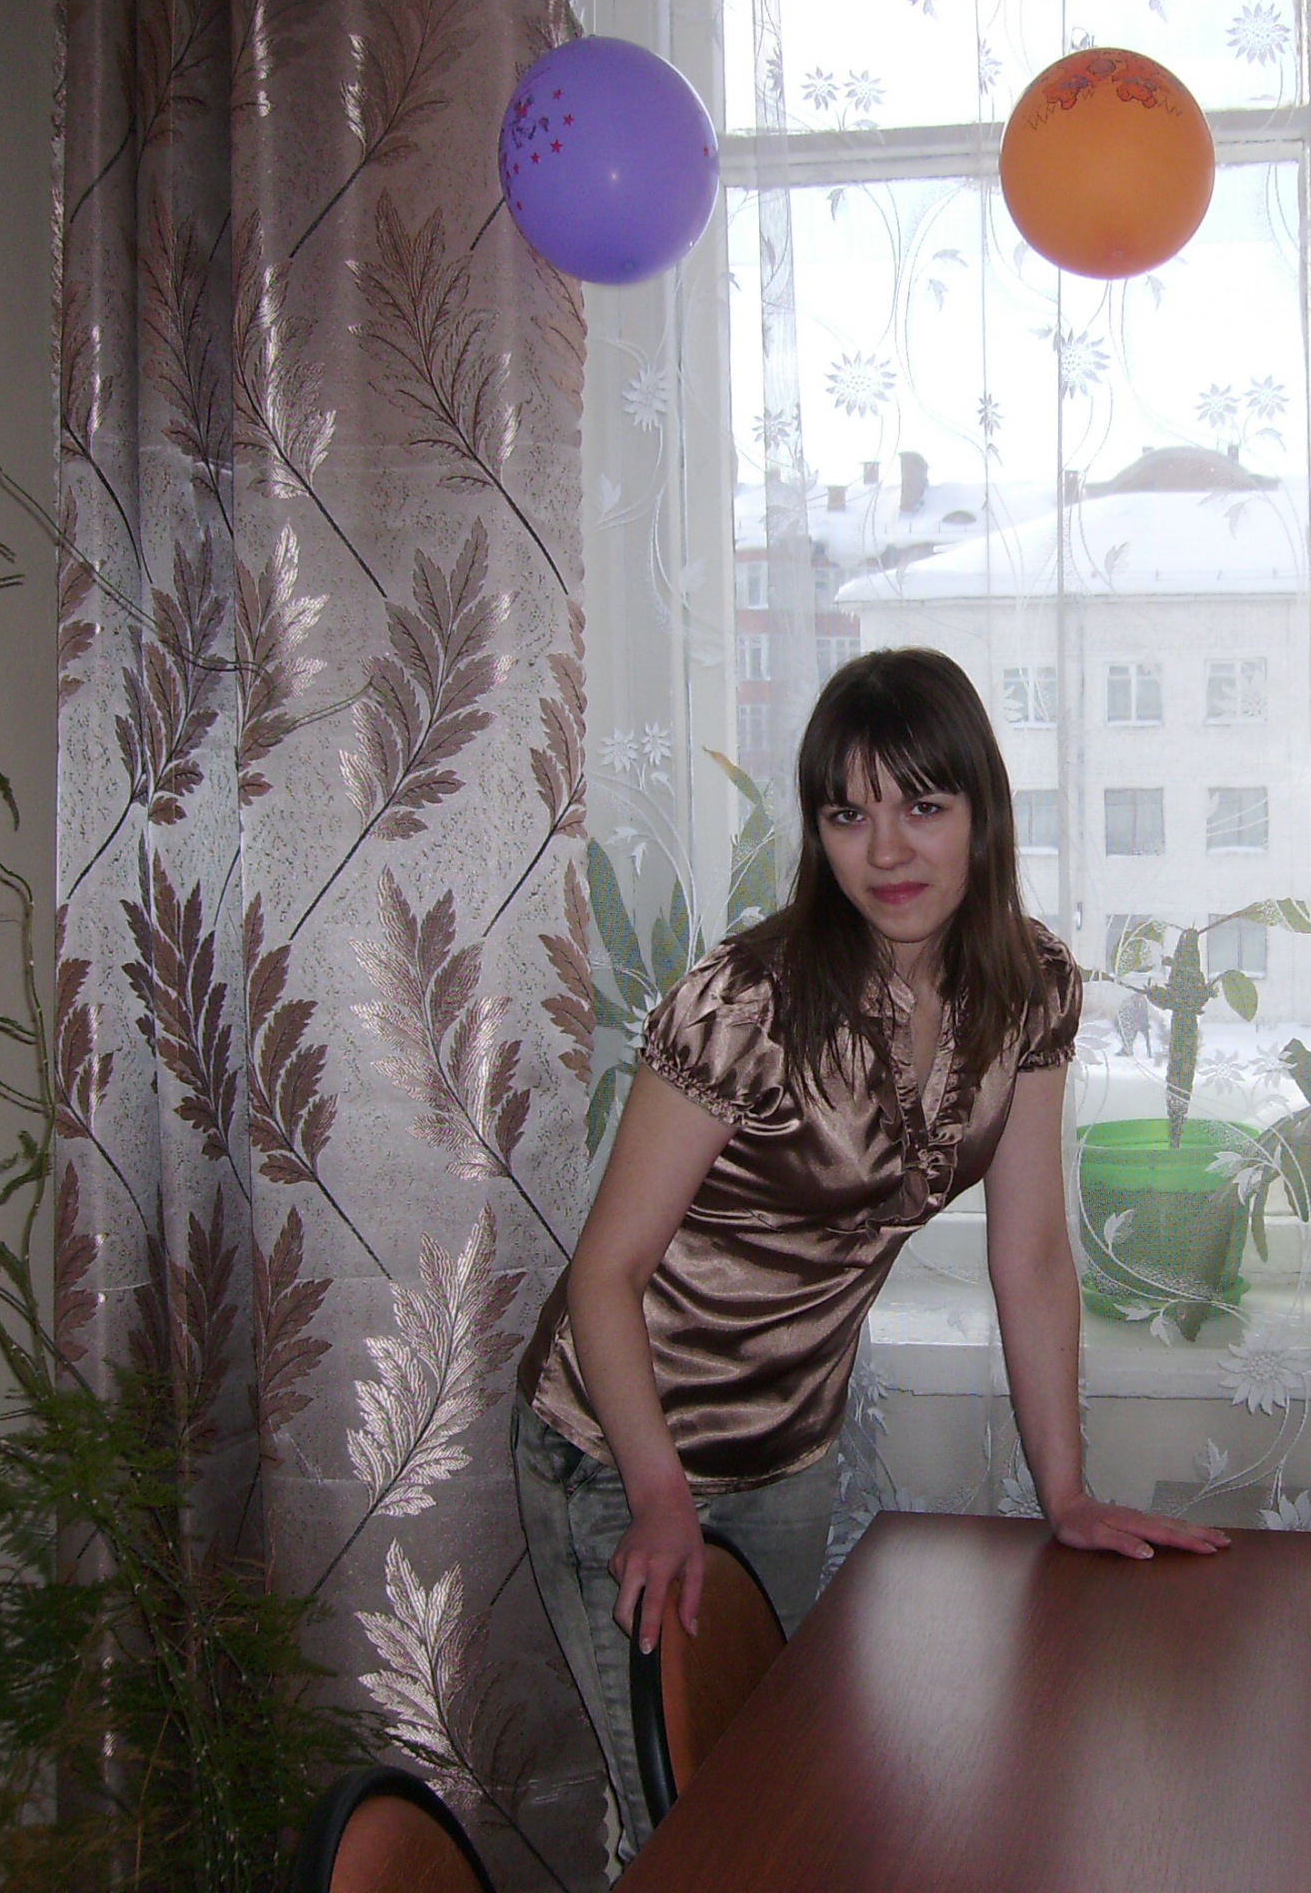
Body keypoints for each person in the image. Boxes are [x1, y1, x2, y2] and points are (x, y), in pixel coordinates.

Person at [513, 648, 1227, 1867]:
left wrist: (1064, 1495)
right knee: (690, 1839)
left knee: (773, 1801)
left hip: (789, 1450)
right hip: (617, 1453)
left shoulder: (1028, 988)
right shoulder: (747, 1006)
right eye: (847, 815)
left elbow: (1031, 1254)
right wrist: (658, 1495)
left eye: (921, 806)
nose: (885, 851)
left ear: (982, 814)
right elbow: (605, 1273)